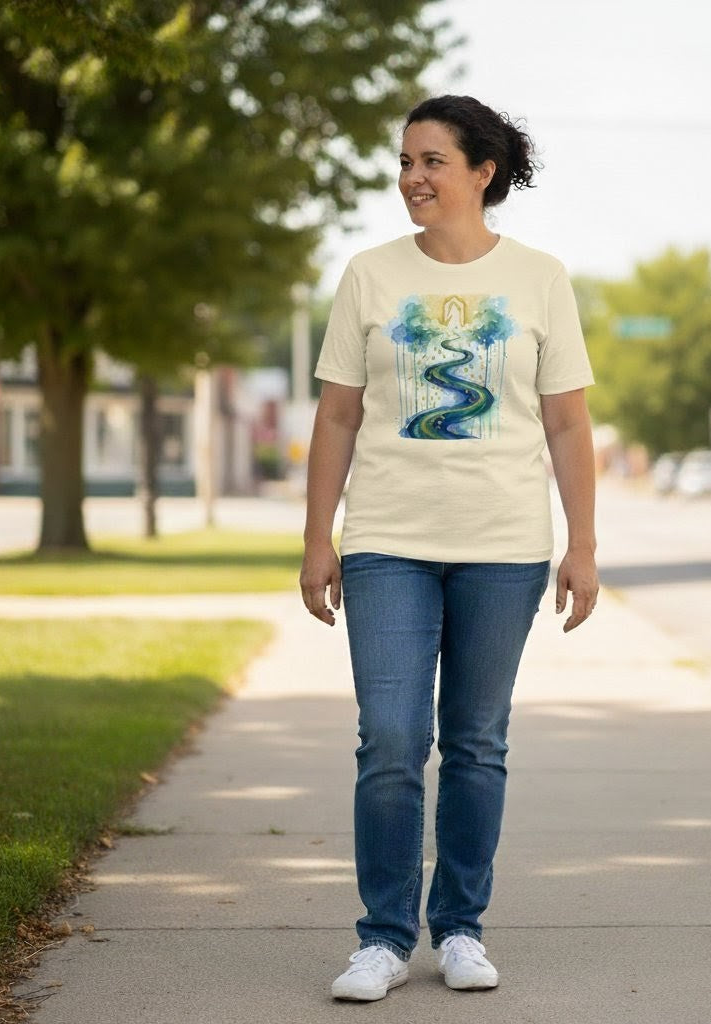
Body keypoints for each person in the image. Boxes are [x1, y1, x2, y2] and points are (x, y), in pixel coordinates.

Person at [299, 94, 598, 1002]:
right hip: (388, 537)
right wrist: (319, 537)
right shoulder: (369, 275)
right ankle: (384, 938)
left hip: (503, 544)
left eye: (431, 161)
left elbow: (567, 422)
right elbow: (338, 413)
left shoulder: (541, 278)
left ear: (483, 172)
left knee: (475, 742)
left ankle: (461, 926)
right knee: (391, 739)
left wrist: (582, 545)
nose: (412, 178)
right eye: (404, 162)